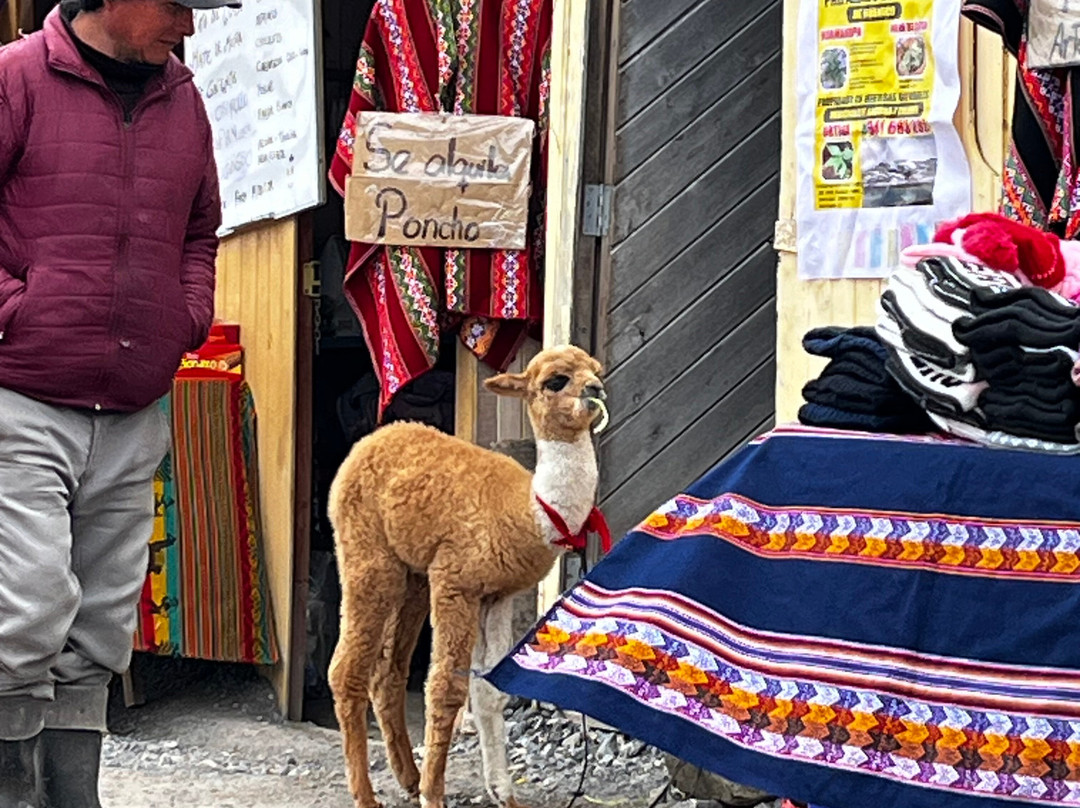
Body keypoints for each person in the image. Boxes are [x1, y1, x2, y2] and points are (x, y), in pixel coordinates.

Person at [0, 0, 236, 805]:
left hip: (133, 407)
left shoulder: (185, 99)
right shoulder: (14, 79)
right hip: (21, 399)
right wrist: (17, 312)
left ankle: (74, 797)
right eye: (179, 5)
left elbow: (201, 229)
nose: (192, 26)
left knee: (101, 626)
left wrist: (187, 314)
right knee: (23, 614)